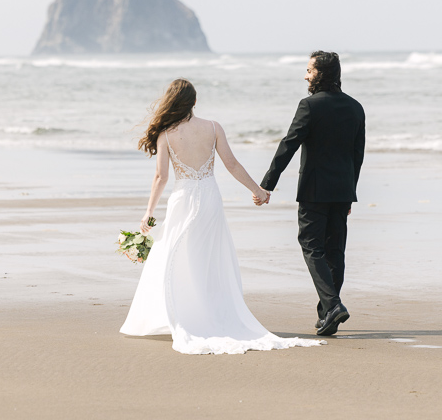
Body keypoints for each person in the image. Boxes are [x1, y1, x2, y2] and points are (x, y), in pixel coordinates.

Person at [119, 78, 324, 355]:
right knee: (209, 256)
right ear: (194, 102)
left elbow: (161, 177)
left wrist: (149, 212)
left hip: (183, 199)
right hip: (210, 198)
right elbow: (232, 164)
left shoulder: (166, 134)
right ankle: (209, 311)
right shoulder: (213, 127)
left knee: (177, 255)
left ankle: (187, 312)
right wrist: (258, 190)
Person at [255, 51, 365, 336]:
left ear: (322, 74)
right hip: (342, 191)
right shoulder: (356, 107)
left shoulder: (309, 106)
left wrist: (267, 184)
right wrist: (350, 191)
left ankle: (332, 305)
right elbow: (358, 155)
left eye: (309, 70)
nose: (306, 75)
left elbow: (289, 144)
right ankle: (326, 313)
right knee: (335, 251)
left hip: (315, 191)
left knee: (311, 246)